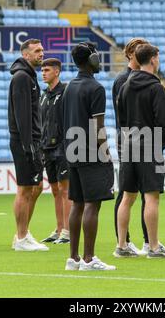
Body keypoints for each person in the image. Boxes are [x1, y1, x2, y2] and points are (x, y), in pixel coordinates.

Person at [116, 44, 165, 258]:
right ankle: (153, 246)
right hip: (149, 146)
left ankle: (122, 245)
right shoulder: (156, 87)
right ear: (152, 59)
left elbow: (121, 118)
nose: (158, 61)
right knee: (151, 197)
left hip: (128, 145)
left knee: (127, 197)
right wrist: (159, 145)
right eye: (157, 57)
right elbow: (163, 120)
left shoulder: (125, 85)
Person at [63, 42, 116, 271]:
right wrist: (106, 154)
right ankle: (89, 258)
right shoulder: (96, 88)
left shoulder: (68, 87)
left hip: (71, 152)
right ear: (92, 60)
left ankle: (73, 258)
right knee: (92, 206)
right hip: (91, 154)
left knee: (77, 204)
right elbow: (98, 128)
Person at [8, 38, 47, 252]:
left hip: (32, 140)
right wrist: (28, 145)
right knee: (24, 189)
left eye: (42, 50)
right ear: (25, 55)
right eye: (37, 51)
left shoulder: (28, 76)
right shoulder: (22, 78)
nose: (41, 53)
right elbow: (22, 114)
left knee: (35, 187)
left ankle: (23, 233)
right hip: (26, 141)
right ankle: (21, 237)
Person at [112, 37, 150, 257]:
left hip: (145, 139)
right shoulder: (122, 80)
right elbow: (122, 116)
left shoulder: (144, 77)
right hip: (129, 140)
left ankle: (149, 240)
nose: (140, 53)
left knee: (148, 192)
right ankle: (123, 241)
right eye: (137, 50)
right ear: (129, 54)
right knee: (127, 191)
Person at [39, 58, 71, 245]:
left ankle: (67, 230)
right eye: (42, 70)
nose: (43, 73)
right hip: (47, 148)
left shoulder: (65, 92)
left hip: (62, 147)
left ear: (57, 72)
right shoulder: (43, 95)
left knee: (65, 190)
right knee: (54, 190)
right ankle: (59, 228)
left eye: (47, 70)